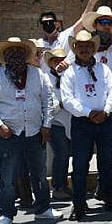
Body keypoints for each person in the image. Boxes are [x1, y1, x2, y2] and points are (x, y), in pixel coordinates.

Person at [0, 37, 63, 224]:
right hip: (9, 133)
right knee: (7, 177)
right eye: (11, 53)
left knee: (40, 174)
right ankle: (6, 213)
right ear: (5, 56)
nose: (15, 56)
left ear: (25, 55)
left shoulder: (37, 75)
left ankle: (43, 208)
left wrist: (46, 125)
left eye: (19, 52)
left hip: (35, 131)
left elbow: (47, 102)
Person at [60, 30, 112, 220]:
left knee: (107, 162)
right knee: (80, 164)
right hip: (82, 122)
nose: (84, 49)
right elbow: (68, 100)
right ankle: (79, 204)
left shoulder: (103, 69)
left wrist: (106, 111)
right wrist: (88, 112)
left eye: (88, 46)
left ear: (93, 48)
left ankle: (110, 198)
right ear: (75, 48)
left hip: (104, 120)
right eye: (80, 46)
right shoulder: (70, 72)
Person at [43, 47, 72, 200]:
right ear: (50, 63)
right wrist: (61, 104)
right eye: (55, 60)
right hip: (55, 122)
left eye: (62, 60)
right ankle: (57, 186)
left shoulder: (71, 76)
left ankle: (63, 185)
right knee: (60, 154)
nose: (59, 63)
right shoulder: (46, 79)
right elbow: (46, 103)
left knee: (65, 155)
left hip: (70, 122)